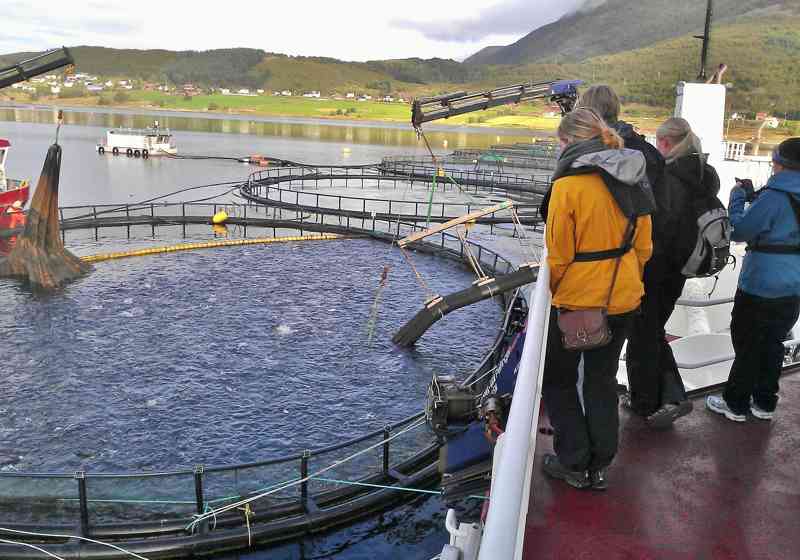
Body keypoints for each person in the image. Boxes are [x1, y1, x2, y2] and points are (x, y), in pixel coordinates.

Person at [541, 108, 653, 490]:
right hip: (624, 295)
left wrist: (556, 294)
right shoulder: (634, 178)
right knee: (602, 380)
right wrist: (624, 277)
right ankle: (599, 465)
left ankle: (573, 461)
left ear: (570, 141)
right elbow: (644, 247)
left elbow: (558, 253)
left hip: (580, 300)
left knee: (558, 380)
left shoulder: (568, 186)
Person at [624, 118, 720, 427]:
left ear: (667, 143)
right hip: (681, 267)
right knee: (652, 332)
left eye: (659, 142)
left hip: (658, 268)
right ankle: (670, 396)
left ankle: (645, 403)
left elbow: (660, 227)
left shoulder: (670, 178)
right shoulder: (705, 173)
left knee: (642, 335)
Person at [706, 138, 800, 422]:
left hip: (761, 283)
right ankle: (764, 402)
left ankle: (735, 403)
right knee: (773, 343)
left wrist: (737, 198)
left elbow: (739, 231)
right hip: (793, 284)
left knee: (747, 342)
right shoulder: (776, 196)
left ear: (780, 164)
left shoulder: (773, 197)